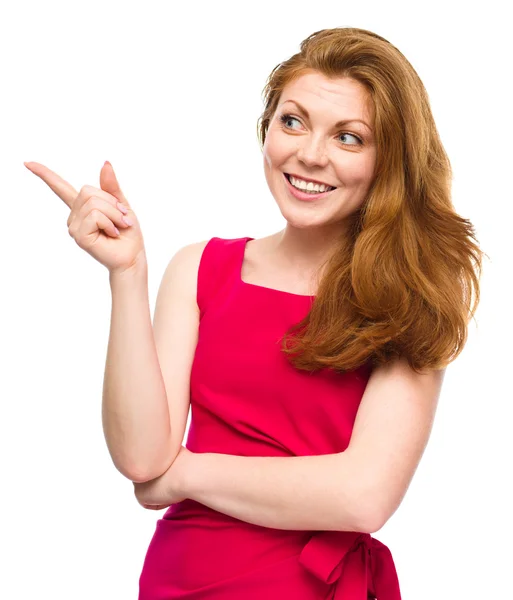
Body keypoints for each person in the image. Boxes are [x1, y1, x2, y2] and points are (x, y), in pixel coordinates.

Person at [25, 26, 484, 600]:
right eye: (292, 121)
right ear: (266, 129)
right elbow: (141, 456)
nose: (310, 155)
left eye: (348, 137)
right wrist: (126, 274)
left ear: (388, 160)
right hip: (181, 578)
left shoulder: (406, 296)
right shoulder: (200, 269)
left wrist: (186, 473)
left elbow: (363, 495)